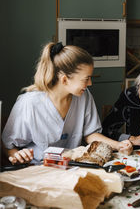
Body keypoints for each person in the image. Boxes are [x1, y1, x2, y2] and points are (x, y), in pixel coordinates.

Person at [2, 42, 132, 164]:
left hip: (73, 166)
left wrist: (118, 145)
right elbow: (7, 144)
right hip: (39, 169)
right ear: (64, 80)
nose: (90, 84)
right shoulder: (29, 103)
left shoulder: (83, 96)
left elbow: (90, 134)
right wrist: (17, 156)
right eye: (86, 79)